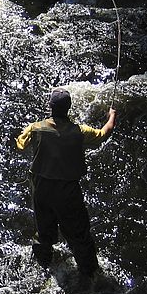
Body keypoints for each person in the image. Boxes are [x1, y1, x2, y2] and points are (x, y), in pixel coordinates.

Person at [15, 87, 116, 279]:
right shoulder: (79, 132)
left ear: (50, 107)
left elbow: (20, 145)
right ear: (69, 108)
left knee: (43, 230)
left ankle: (43, 264)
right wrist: (111, 116)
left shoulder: (35, 128)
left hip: (41, 189)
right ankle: (90, 275)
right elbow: (104, 134)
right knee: (79, 235)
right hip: (67, 192)